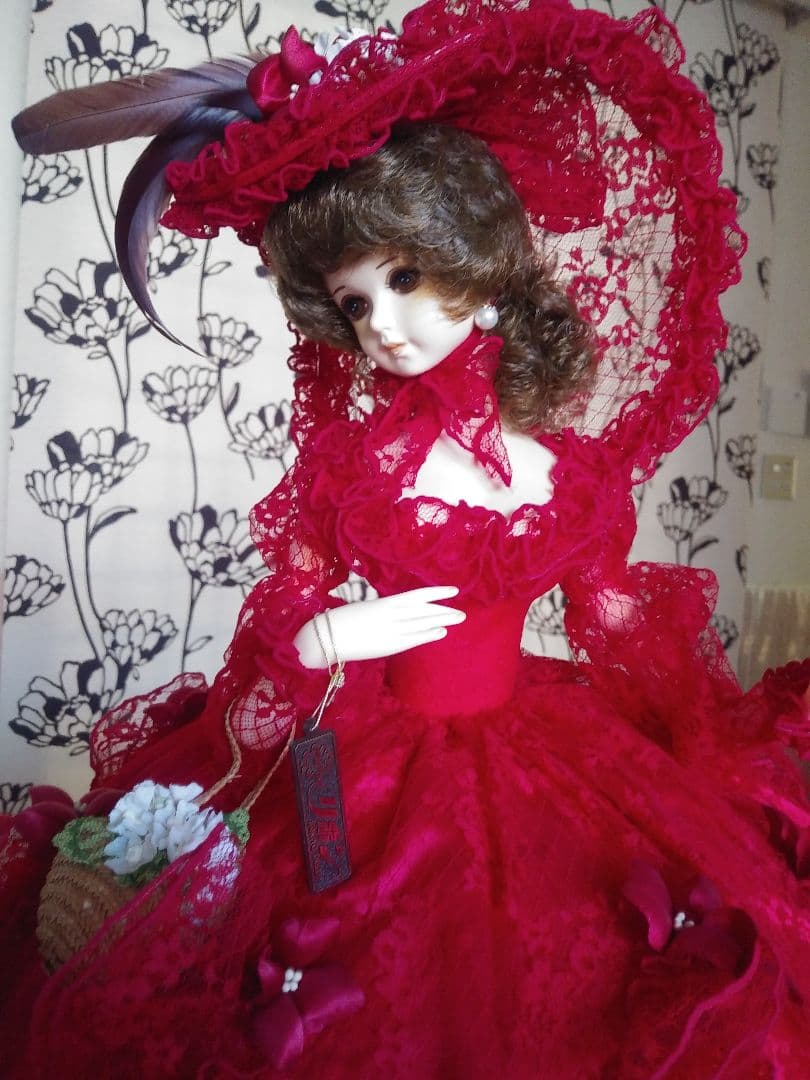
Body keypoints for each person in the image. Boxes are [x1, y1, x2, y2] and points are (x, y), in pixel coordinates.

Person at [2, 1, 810, 1077]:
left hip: (538, 752)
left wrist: (697, 736)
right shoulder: (354, 470)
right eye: (353, 301)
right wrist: (329, 637)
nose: (382, 323)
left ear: (474, 264)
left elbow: (618, 621)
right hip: (369, 759)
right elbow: (282, 628)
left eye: (405, 278)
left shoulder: (567, 475)